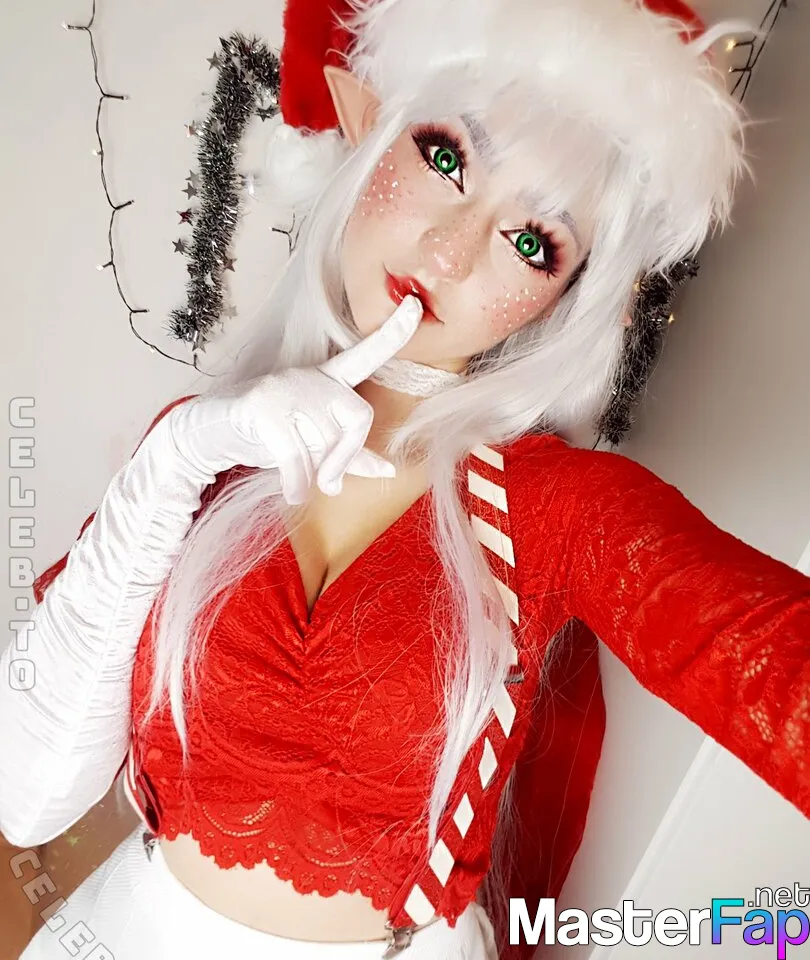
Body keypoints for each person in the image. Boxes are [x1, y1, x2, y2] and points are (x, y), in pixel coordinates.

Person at [2, 0, 809, 958]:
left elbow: (776, 670)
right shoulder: (205, 453)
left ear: (567, 298)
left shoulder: (559, 511)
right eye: (444, 156)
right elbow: (27, 792)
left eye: (531, 240)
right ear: (369, 127)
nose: (449, 250)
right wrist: (178, 457)